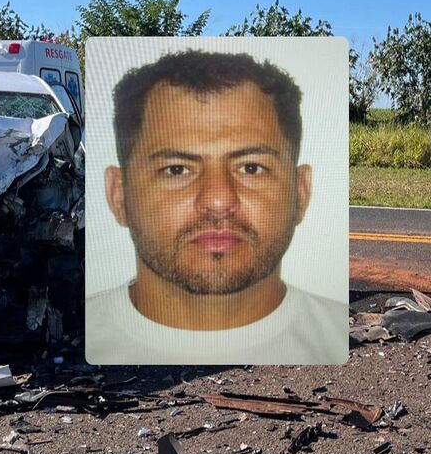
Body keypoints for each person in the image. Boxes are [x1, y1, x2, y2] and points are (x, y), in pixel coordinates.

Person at [86, 50, 347, 365]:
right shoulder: (83, 337)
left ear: (301, 193)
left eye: (251, 168)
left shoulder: (336, 338)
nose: (219, 200)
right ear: (118, 195)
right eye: (176, 169)